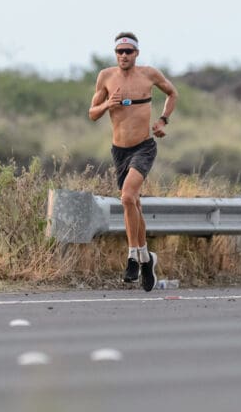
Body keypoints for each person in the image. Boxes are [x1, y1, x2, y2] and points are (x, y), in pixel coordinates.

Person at [88, 32, 178, 291]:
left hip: (144, 147)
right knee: (134, 203)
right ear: (115, 54)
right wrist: (107, 104)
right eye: (119, 51)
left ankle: (132, 256)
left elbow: (172, 94)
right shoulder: (106, 77)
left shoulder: (149, 74)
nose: (124, 55)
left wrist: (163, 121)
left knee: (127, 197)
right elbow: (92, 113)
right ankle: (147, 258)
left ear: (136, 53)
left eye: (128, 51)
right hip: (119, 151)